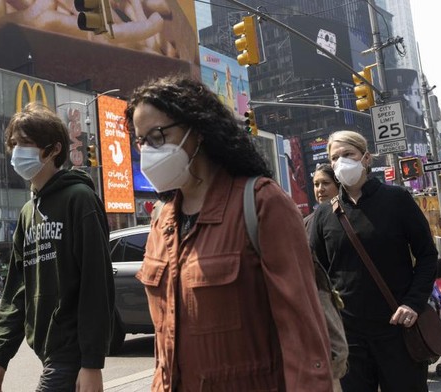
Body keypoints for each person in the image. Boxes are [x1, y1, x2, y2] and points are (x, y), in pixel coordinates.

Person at [126, 76, 333, 391]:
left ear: (197, 130)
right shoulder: (161, 220)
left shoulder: (262, 203)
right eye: (140, 142)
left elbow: (302, 334)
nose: (147, 152)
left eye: (156, 137)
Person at [0, 103, 115, 392]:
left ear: (53, 149)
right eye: (14, 144)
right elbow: (17, 291)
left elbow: (96, 283)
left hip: (71, 354)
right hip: (49, 352)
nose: (17, 152)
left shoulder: (80, 200)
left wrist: (91, 363)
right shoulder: (28, 212)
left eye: (26, 143)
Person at [309, 130, 437, 392]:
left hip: (398, 329)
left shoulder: (397, 199)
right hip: (349, 336)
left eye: (348, 154)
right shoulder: (323, 215)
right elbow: (316, 274)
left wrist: (413, 303)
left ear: (365, 158)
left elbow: (427, 255)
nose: (341, 162)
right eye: (335, 158)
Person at [305, 163, 346, 392]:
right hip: (327, 311)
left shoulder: (350, 214)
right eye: (316, 184)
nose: (320, 189)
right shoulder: (308, 222)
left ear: (338, 184)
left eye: (325, 183)